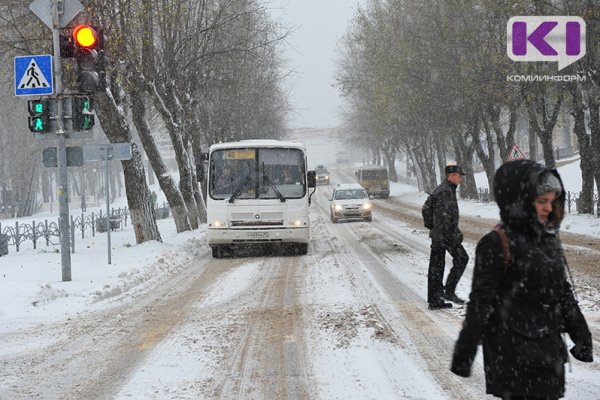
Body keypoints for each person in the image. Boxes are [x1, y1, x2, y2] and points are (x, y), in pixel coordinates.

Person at [450, 160, 593, 399]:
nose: (549, 208)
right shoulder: (496, 243)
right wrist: (464, 354)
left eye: (551, 201)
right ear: (520, 200)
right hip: (513, 359)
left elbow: (562, 292)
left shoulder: (546, 238)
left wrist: (582, 336)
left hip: (549, 356)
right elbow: (480, 302)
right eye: (541, 201)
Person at [427, 164, 469, 310]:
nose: (461, 178)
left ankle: (439, 297)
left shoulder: (446, 189)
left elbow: (427, 208)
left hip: (441, 235)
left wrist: (433, 228)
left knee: (437, 266)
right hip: (444, 236)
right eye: (459, 175)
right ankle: (443, 295)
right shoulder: (445, 191)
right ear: (451, 176)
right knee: (460, 258)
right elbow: (444, 217)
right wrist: (450, 233)